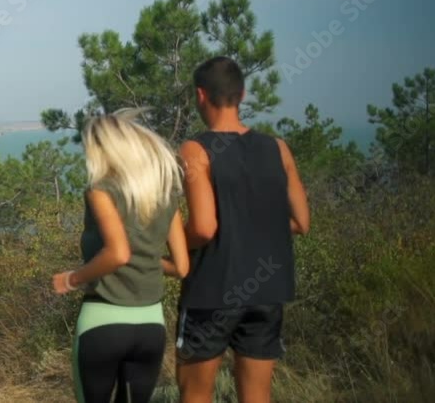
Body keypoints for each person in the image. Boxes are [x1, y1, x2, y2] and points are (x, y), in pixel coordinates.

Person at [175, 56, 311, 403]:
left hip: (211, 291)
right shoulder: (278, 148)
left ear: (200, 95)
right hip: (267, 291)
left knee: (196, 395)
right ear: (243, 94)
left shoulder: (195, 150)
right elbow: (301, 222)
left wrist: (174, 247)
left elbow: (204, 229)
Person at [53, 108, 190, 403]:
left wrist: (71, 279)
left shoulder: (100, 189)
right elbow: (181, 266)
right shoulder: (165, 193)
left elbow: (118, 253)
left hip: (103, 322)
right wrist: (147, 259)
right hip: (150, 327)